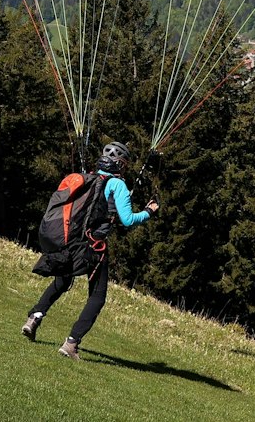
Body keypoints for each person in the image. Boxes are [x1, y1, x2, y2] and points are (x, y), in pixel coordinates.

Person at [21, 140, 158, 358]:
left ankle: (34, 318)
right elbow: (128, 220)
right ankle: (71, 343)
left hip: (71, 244)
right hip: (94, 248)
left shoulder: (88, 177)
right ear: (121, 164)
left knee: (62, 281)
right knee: (97, 296)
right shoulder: (117, 185)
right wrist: (149, 212)